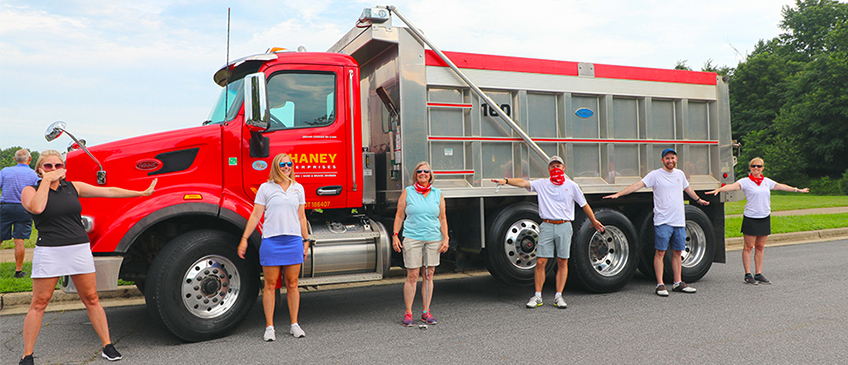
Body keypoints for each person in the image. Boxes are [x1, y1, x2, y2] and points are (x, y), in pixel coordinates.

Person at [19, 150, 156, 365]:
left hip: (78, 249)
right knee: (39, 302)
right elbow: (37, 207)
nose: (54, 170)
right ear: (39, 169)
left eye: (58, 166)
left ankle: (107, 345)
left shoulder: (73, 187)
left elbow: (108, 191)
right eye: (48, 166)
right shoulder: (30, 190)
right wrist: (46, 182)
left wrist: (141, 193)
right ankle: (27, 355)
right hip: (50, 250)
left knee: (91, 298)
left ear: (63, 169)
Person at [492, 156, 605, 309]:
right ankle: (537, 296)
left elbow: (584, 205)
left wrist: (593, 220)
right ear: (548, 169)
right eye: (552, 166)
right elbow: (524, 182)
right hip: (546, 226)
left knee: (562, 261)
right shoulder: (542, 184)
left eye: (558, 165)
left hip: (564, 226)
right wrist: (506, 181)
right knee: (540, 262)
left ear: (563, 168)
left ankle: (559, 296)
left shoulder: (572, 186)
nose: (555, 168)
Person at [604, 148, 709, 296]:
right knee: (660, 252)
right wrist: (618, 194)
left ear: (676, 159)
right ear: (662, 160)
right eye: (667, 158)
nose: (670, 161)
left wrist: (698, 200)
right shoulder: (655, 175)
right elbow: (637, 185)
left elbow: (688, 189)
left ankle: (678, 282)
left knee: (677, 252)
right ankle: (660, 284)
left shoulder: (680, 174)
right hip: (663, 221)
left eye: (672, 158)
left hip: (678, 221)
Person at [238, 153, 310, 341]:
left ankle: (294, 324)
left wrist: (306, 239)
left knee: (292, 284)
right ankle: (270, 327)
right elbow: (255, 215)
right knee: (270, 285)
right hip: (272, 241)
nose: (286, 167)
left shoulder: (298, 188)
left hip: (293, 240)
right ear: (276, 167)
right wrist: (244, 238)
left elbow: (301, 216)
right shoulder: (265, 188)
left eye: (289, 163)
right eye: (282, 164)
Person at [706, 157, 808, 285]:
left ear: (762, 168)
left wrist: (798, 190)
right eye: (754, 166)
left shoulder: (766, 182)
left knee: (760, 247)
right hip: (751, 217)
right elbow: (733, 186)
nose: (756, 168)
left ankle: (758, 273)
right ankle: (748, 274)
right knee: (748, 247)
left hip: (764, 217)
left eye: (759, 166)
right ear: (750, 168)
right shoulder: (746, 181)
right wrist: (719, 189)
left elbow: (781, 186)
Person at [393, 161, 449, 326]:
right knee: (412, 275)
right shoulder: (408, 192)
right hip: (413, 238)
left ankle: (426, 311)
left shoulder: (437, 193)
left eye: (426, 171)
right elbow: (399, 215)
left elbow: (443, 218)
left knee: (429, 274)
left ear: (430, 175)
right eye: (419, 172)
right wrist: (395, 235)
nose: (423, 174)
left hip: (433, 238)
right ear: (415, 175)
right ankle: (408, 313)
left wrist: (446, 238)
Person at [1, 149, 39, 278]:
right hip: (24, 208)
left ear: (14, 159)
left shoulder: (5, 171)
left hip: (6, 207)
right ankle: (18, 271)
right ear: (29, 159)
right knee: (19, 240)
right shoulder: (33, 175)